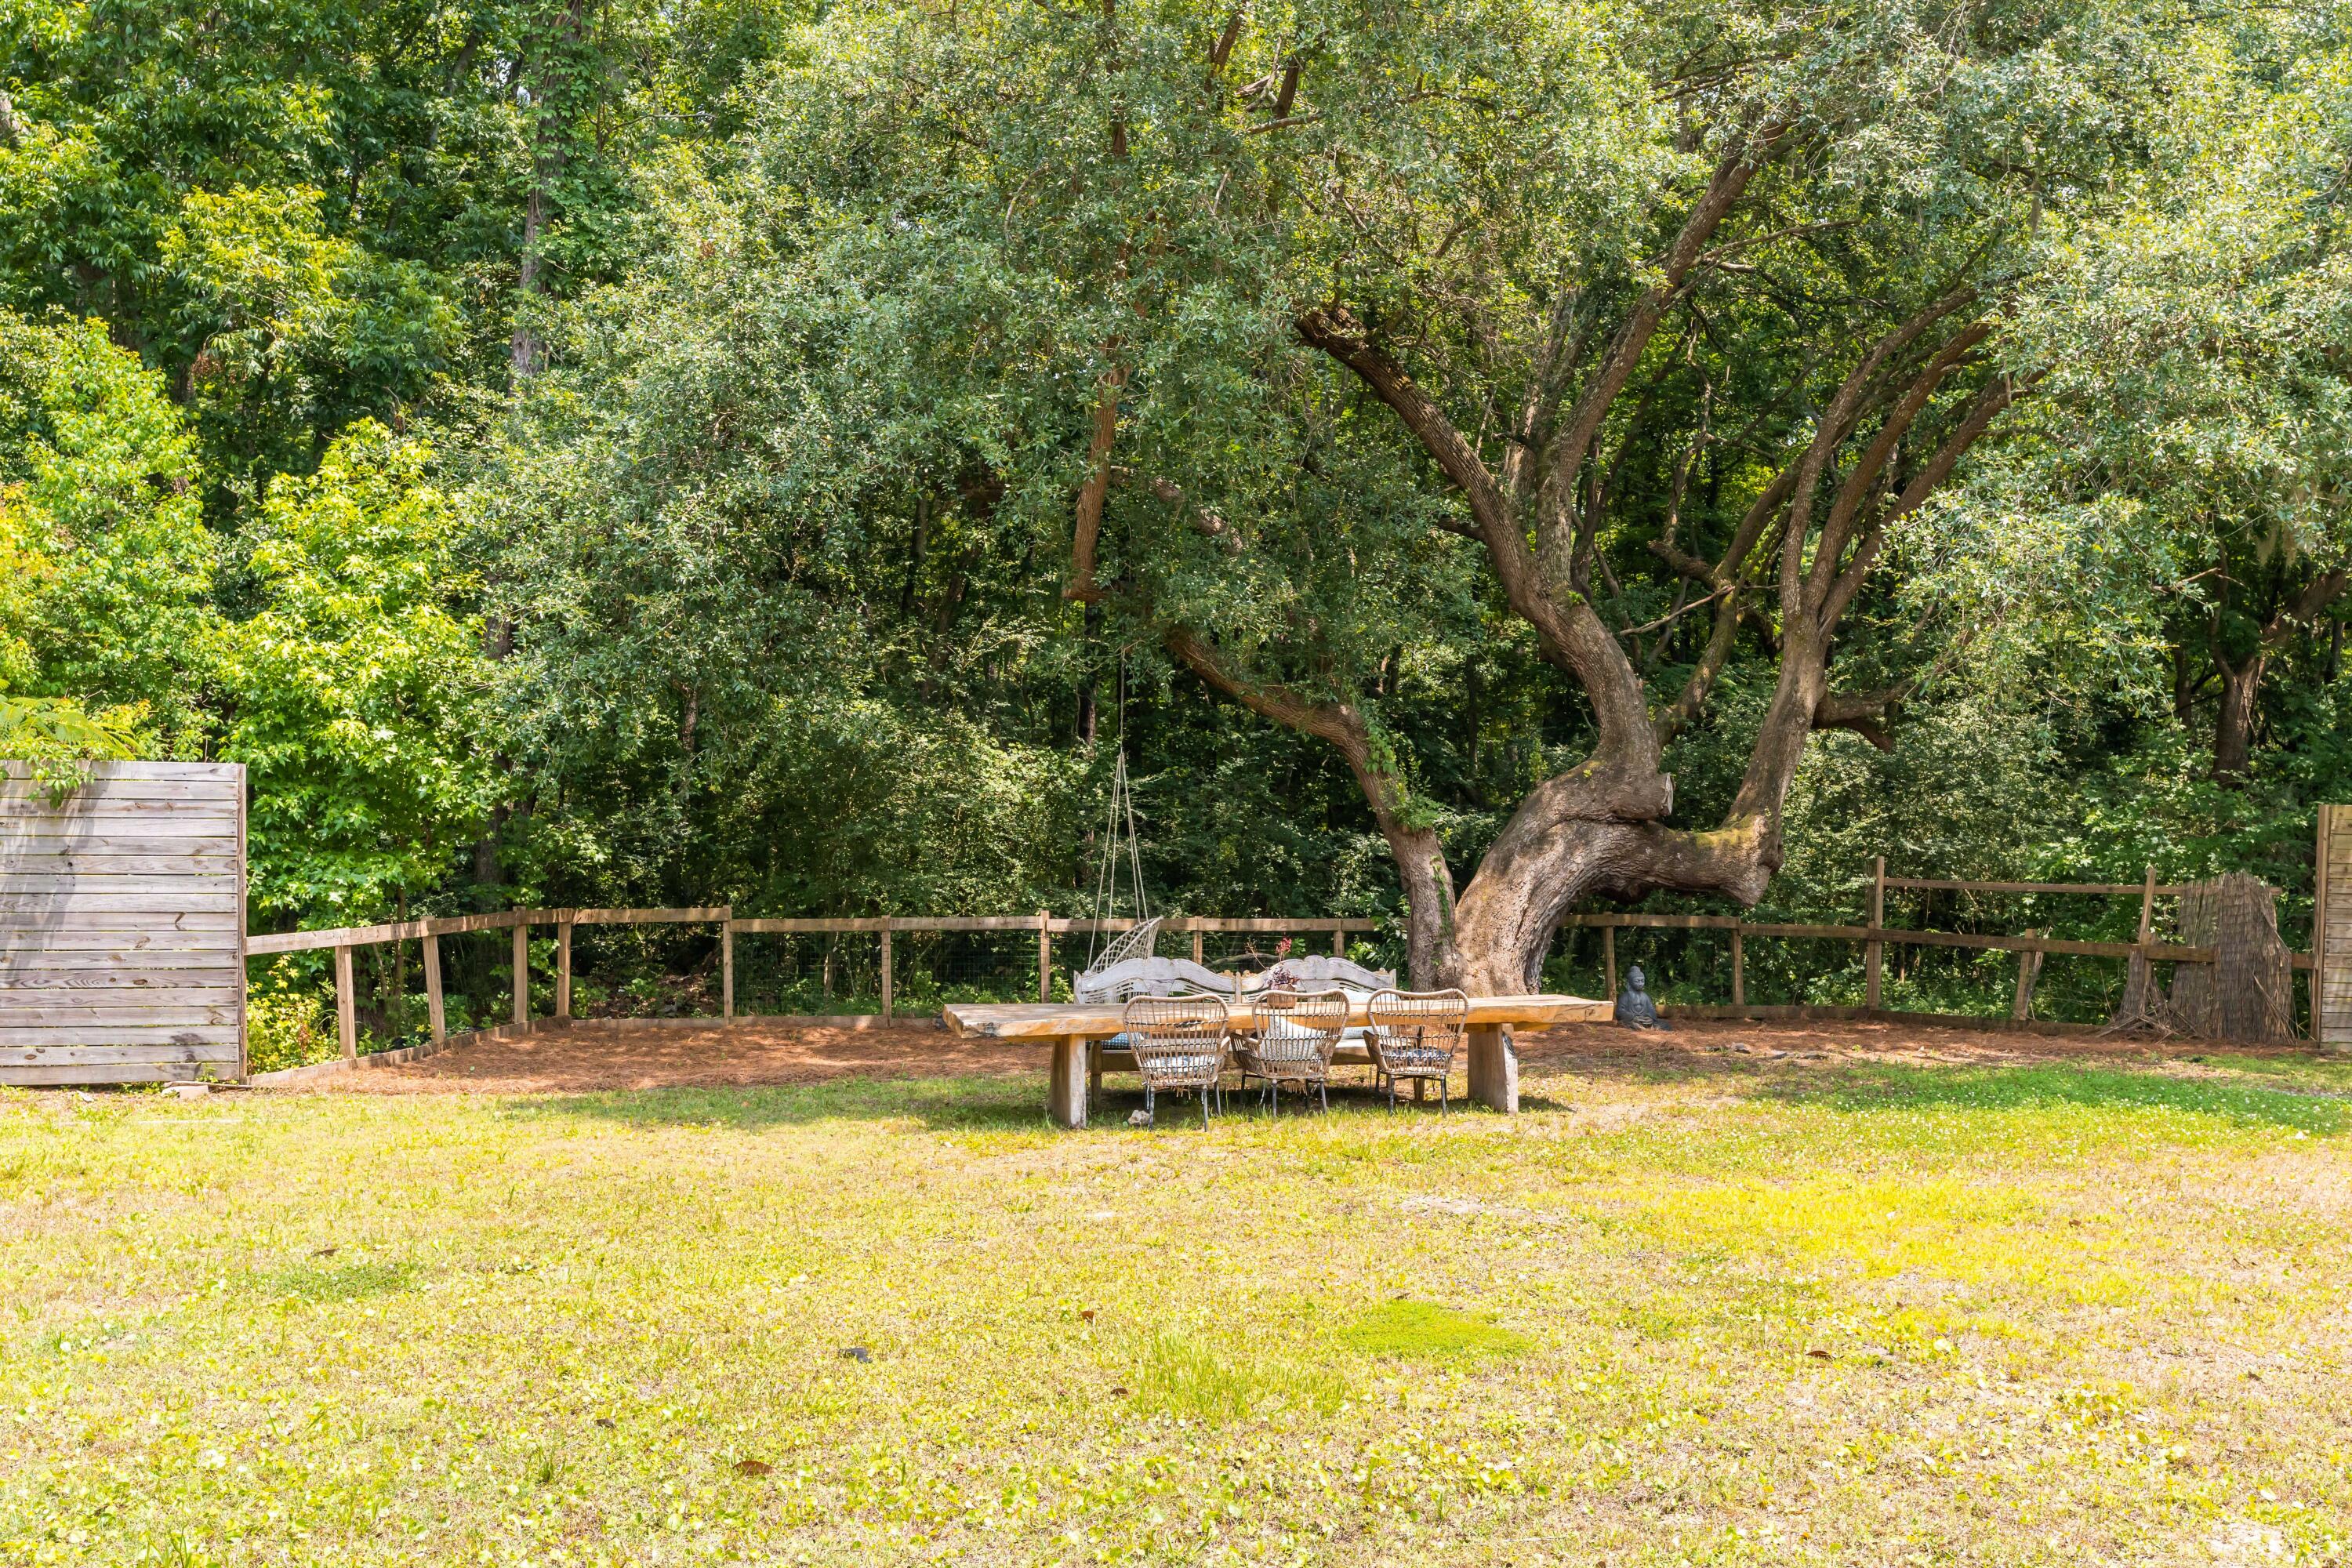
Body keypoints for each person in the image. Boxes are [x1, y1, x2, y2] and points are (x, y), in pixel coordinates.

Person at [1614, 964, 1666, 1029]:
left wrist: (1649, 1017)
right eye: (1637, 981)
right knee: (1629, 1026)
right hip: (1633, 1021)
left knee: (1665, 1025)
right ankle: (1643, 1028)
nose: (1640, 984)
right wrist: (1634, 1017)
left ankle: (1647, 1027)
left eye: (1642, 981)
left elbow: (1651, 1009)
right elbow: (1620, 1012)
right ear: (1630, 982)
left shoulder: (1645, 996)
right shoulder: (1625, 997)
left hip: (1645, 1021)